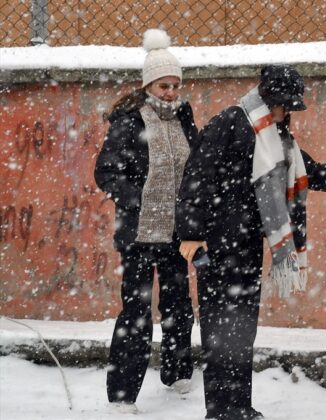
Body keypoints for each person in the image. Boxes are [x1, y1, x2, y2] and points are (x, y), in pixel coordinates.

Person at [176, 65, 326, 420]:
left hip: (248, 245)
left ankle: (239, 405)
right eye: (285, 105)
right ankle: (220, 409)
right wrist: (191, 234)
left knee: (241, 327)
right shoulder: (231, 122)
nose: (287, 112)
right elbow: (197, 175)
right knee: (219, 328)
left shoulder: (276, 133)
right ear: (270, 99)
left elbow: (304, 171)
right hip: (218, 243)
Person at [94, 29, 198, 413]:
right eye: (163, 85)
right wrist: (137, 199)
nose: (171, 92)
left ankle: (177, 372)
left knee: (178, 305)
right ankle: (122, 395)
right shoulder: (128, 121)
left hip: (175, 232)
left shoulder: (185, 118)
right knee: (136, 315)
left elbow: (195, 166)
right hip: (138, 235)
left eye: (175, 85)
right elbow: (105, 172)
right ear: (148, 85)